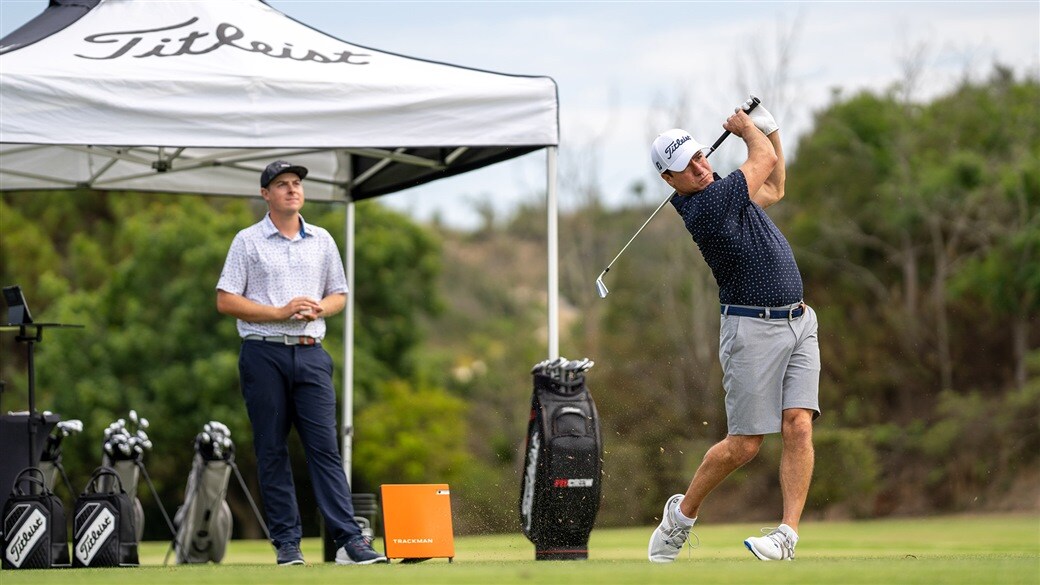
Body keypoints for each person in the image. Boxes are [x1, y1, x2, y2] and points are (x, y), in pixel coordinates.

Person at [646, 99, 820, 562]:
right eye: (687, 167)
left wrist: (770, 127)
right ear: (670, 180)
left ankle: (786, 536)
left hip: (799, 322)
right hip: (751, 329)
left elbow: (775, 186)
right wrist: (748, 129)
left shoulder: (727, 193)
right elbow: (763, 159)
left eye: (700, 156)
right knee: (744, 445)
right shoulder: (705, 207)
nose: (700, 168)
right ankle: (681, 516)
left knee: (799, 425)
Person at [216, 160, 387, 566]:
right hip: (263, 354)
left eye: (296, 183)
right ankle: (288, 545)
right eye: (282, 184)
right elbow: (226, 299)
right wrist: (279, 312)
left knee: (325, 449)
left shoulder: (322, 239)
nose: (292, 189)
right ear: (266, 194)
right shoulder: (247, 241)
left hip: (311, 354)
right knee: (272, 450)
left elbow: (339, 294)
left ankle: (349, 541)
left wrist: (320, 308)